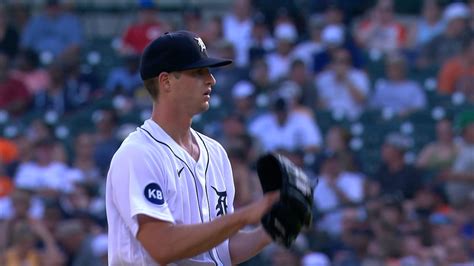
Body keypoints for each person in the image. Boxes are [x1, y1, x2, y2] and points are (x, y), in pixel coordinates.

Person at [105, 30, 280, 265]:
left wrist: (272, 228)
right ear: (166, 81)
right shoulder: (138, 154)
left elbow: (220, 251)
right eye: (198, 72)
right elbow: (161, 246)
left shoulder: (216, 152)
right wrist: (245, 215)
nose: (211, 79)